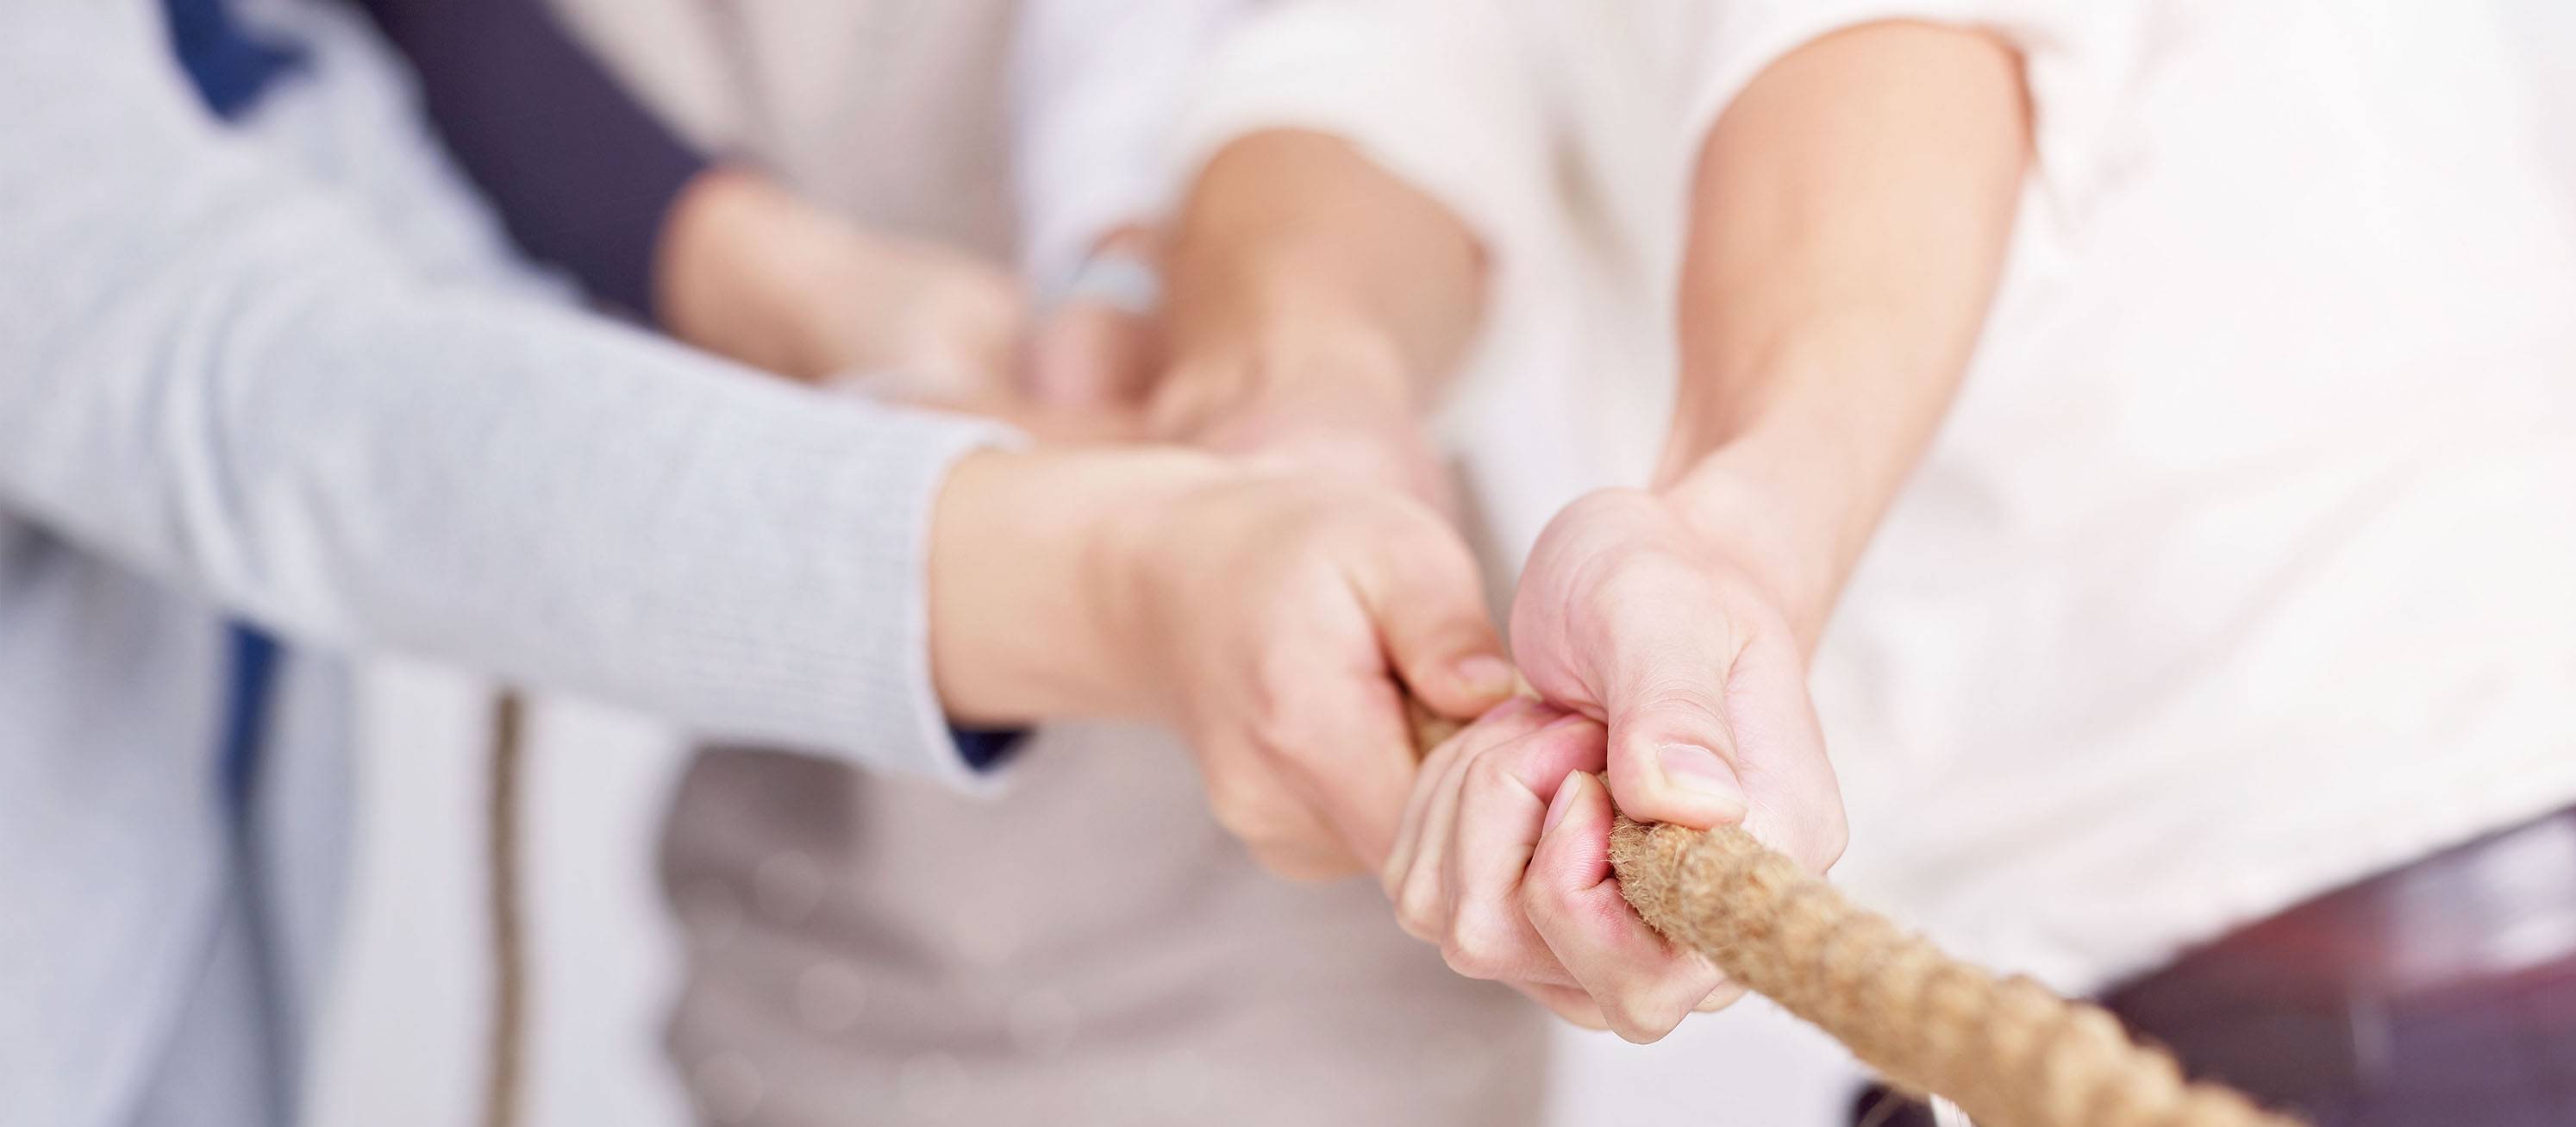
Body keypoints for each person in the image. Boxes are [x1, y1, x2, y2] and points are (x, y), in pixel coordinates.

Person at [0, 2, 1536, 1123]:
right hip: (815, 978)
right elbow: (273, 388)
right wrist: (1120, 580)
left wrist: (841, 306)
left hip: (1298, 1007)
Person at [1178, 2, 2576, 1123]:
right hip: (2016, 1008)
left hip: (2442, 912)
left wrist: (1733, 534)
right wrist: (1305, 419)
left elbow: (1895, 37)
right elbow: (1352, 80)